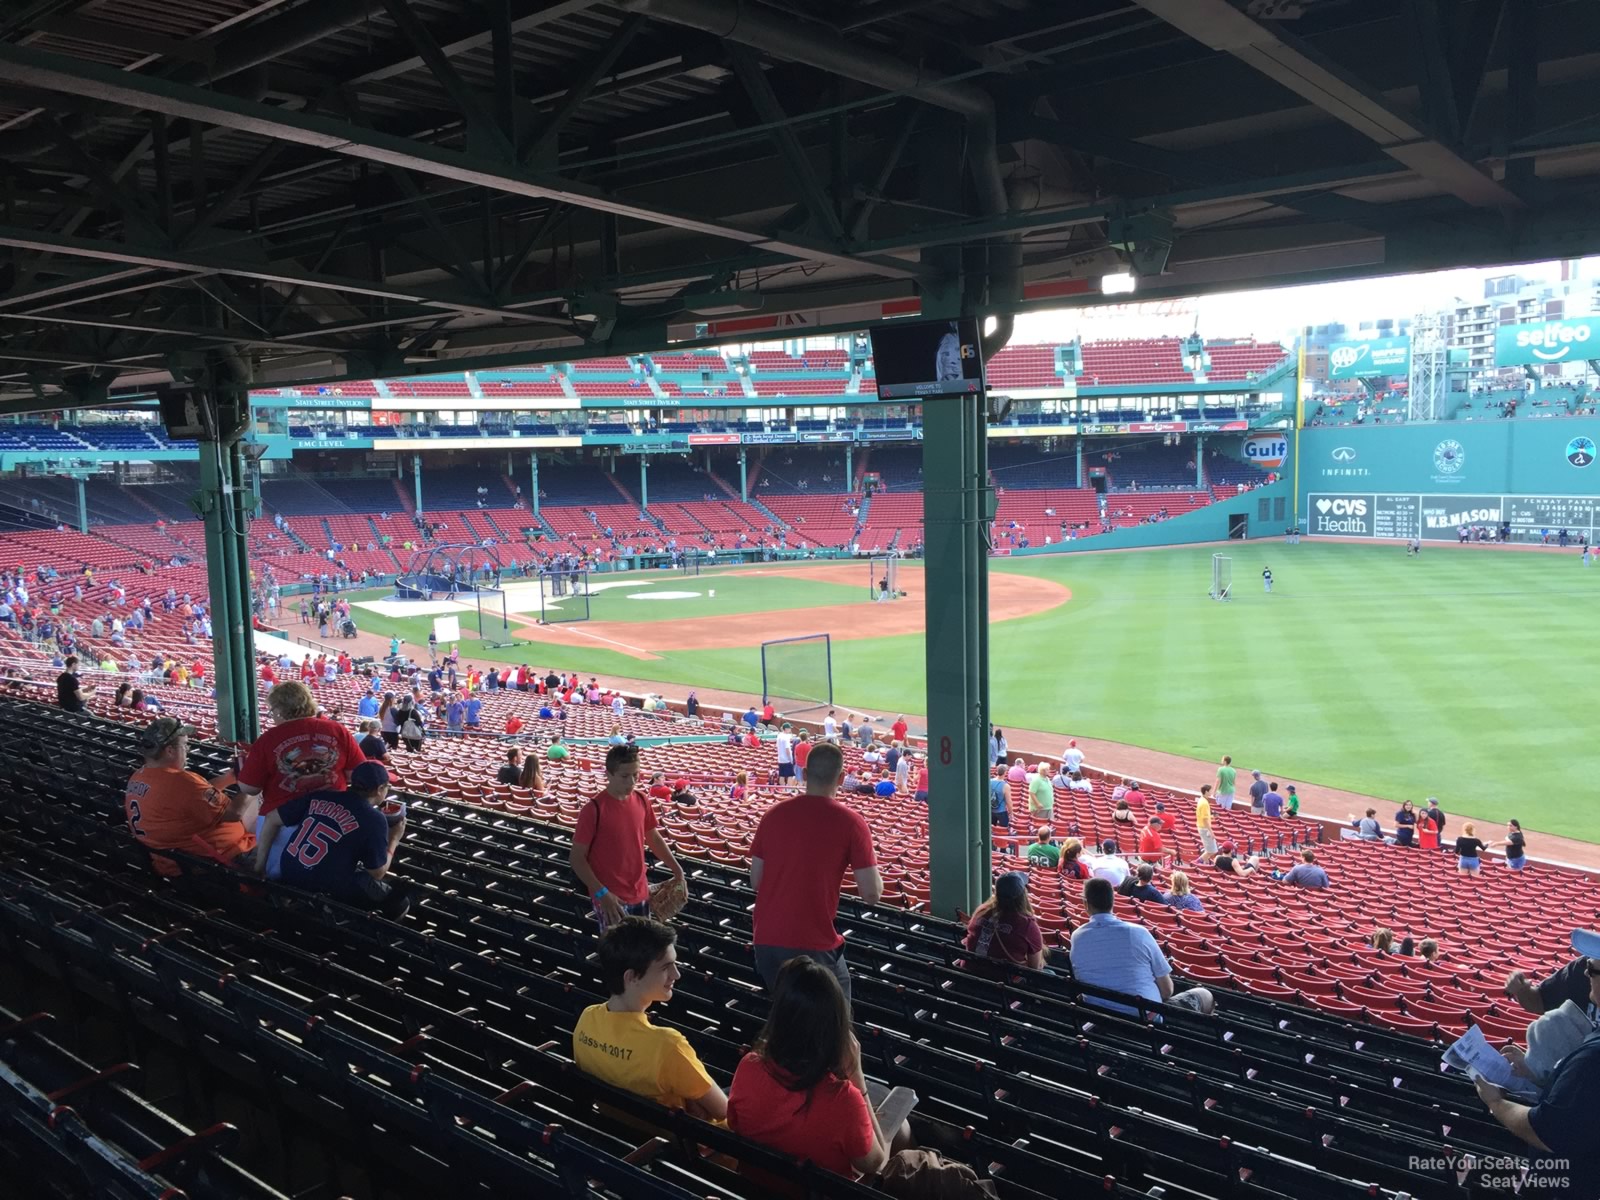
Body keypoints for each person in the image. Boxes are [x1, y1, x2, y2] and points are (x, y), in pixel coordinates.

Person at [727, 958, 903, 1181]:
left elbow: (735, 1124)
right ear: (835, 1029)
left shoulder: (749, 1067)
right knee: (902, 1131)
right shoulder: (844, 1100)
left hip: (755, 1190)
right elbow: (875, 1164)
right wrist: (857, 1078)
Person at [748, 743, 880, 1003]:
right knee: (834, 1026)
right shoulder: (852, 822)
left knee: (790, 1018)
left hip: (766, 942)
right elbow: (872, 894)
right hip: (814, 945)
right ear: (841, 778)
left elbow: (756, 882)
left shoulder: (773, 815)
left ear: (805, 773)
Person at [572, 918, 727, 1120]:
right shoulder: (667, 1047)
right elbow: (724, 1112)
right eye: (666, 967)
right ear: (632, 977)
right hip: (681, 1145)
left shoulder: (587, 1019)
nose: (677, 974)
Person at [237, 681, 364, 879]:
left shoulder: (269, 738)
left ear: (279, 709)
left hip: (280, 826)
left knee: (278, 879)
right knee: (324, 879)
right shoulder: (338, 730)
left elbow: (249, 787)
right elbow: (356, 775)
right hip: (331, 821)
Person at [256, 760, 409, 917]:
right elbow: (376, 873)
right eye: (387, 787)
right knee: (399, 902)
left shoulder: (321, 796)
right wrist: (394, 840)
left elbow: (271, 818)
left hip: (288, 872)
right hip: (323, 889)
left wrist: (259, 867)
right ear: (379, 789)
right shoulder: (374, 819)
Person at [570, 745, 685, 932]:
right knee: (620, 957)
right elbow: (576, 858)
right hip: (611, 898)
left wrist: (678, 870)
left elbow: (654, 838)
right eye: (625, 776)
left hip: (641, 892)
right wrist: (602, 893)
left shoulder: (641, 799)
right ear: (609, 774)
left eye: (636, 775)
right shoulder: (593, 810)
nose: (631, 781)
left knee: (643, 955)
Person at [124, 717, 255, 877]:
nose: (187, 750)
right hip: (216, 863)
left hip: (171, 862)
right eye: (184, 745)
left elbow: (196, 794)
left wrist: (230, 778)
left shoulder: (139, 776)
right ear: (170, 751)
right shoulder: (181, 782)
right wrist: (251, 781)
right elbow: (234, 813)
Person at [1070, 877, 1214, 1016]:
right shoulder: (1138, 933)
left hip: (1099, 1017)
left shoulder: (1076, 937)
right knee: (1204, 995)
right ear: (1112, 902)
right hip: (1145, 1019)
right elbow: (1167, 991)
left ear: (1085, 904)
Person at [963, 871, 1045, 970]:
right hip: (1001, 980)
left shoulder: (981, 911)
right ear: (1023, 895)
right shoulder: (1026, 925)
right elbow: (1035, 967)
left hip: (969, 972)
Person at [1194, 784, 1217, 860]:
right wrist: (1211, 831)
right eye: (1210, 790)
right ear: (1206, 791)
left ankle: (1202, 863)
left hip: (1202, 827)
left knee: (1210, 850)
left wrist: (1212, 817)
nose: (1211, 792)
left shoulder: (1202, 800)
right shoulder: (1204, 803)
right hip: (1204, 829)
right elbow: (1204, 819)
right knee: (1211, 851)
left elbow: (1204, 817)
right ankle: (1198, 862)